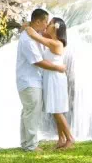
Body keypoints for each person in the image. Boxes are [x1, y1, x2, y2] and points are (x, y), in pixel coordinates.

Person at [16, 9, 66, 152]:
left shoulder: (34, 33)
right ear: (38, 22)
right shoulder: (28, 39)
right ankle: (31, 146)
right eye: (45, 22)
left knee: (28, 111)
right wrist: (58, 67)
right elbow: (38, 61)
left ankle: (26, 143)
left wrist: (27, 26)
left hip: (33, 80)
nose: (46, 25)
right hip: (29, 80)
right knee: (32, 111)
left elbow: (38, 32)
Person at [26, 17, 75, 149]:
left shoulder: (57, 44)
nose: (47, 24)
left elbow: (36, 37)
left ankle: (70, 139)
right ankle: (61, 139)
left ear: (56, 27)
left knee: (57, 110)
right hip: (50, 76)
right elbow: (42, 34)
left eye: (50, 23)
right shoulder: (52, 40)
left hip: (55, 78)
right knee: (55, 109)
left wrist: (29, 27)